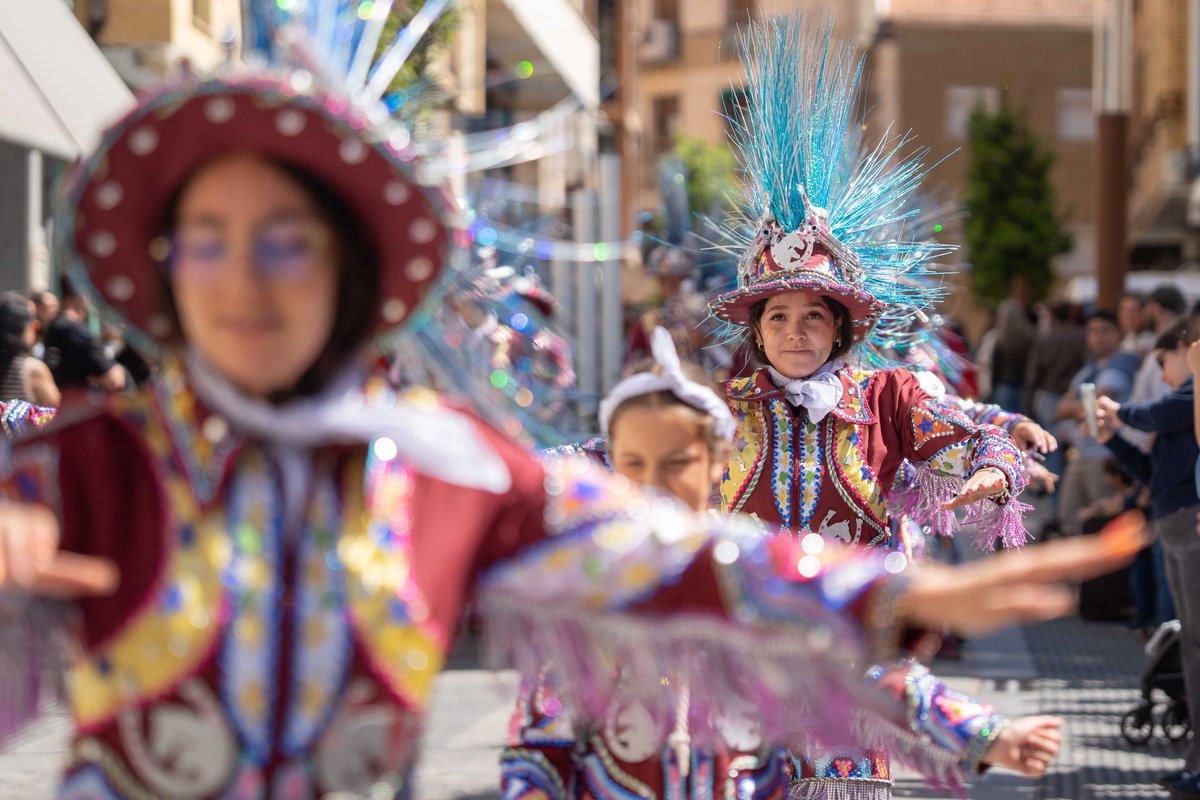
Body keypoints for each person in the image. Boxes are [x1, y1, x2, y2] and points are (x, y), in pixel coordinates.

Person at [0, 13, 1131, 798]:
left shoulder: (445, 472)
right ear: (164, 268)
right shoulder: (91, 463)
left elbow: (696, 558)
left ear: (349, 269)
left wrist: (901, 591)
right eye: (208, 239)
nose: (245, 277)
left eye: (288, 241)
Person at [503, 329, 1064, 798]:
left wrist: (987, 737)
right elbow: (537, 753)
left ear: (720, 460)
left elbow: (855, 668)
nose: (655, 481)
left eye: (679, 462)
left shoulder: (747, 580)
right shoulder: (584, 599)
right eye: (633, 462)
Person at [1095, 318, 1200, 797]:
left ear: (1185, 346)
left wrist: (1119, 412)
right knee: (1193, 646)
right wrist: (1112, 437)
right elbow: (1153, 476)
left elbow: (1154, 413)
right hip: (1174, 523)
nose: (1163, 373)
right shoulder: (1182, 402)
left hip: (1186, 525)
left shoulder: (1189, 394)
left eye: (1164, 362)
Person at [1055, 310, 1140, 537]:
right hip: (1081, 453)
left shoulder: (1120, 365)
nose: (1098, 337)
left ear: (1118, 334)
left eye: (1105, 331)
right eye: (1093, 331)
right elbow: (1061, 410)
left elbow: (1092, 408)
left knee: (1105, 527)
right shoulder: (1089, 369)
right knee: (1070, 521)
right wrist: (1081, 408)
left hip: (1105, 456)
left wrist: (1079, 408)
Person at [42, 277, 126, 393]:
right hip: (79, 405)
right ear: (81, 296)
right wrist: (117, 370)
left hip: (60, 403)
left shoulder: (53, 326)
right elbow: (115, 380)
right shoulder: (74, 329)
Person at [0, 291, 60, 407]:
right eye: (34, 324)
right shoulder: (33, 369)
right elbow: (56, 413)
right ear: (21, 328)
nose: (36, 329)